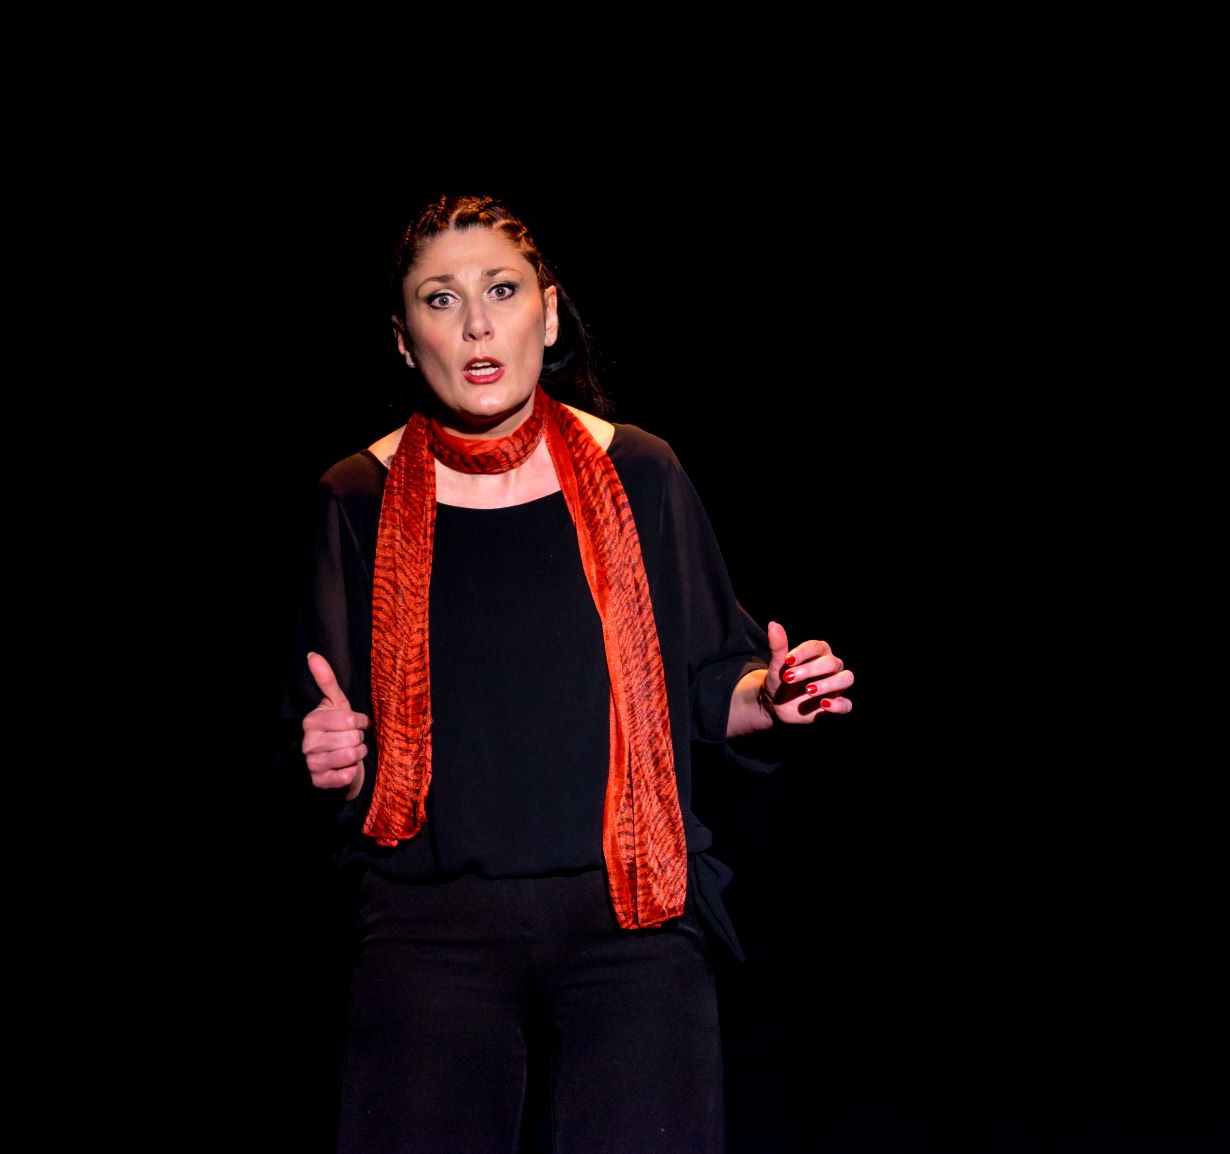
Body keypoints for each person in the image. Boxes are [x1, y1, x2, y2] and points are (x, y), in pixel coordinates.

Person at [277, 194, 854, 1154]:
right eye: (440, 298)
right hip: (429, 933)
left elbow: (711, 681)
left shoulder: (641, 471)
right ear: (404, 338)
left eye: (502, 291)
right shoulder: (355, 496)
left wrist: (774, 695)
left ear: (548, 314)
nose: (476, 325)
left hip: (631, 924)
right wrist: (324, 758)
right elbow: (319, 733)